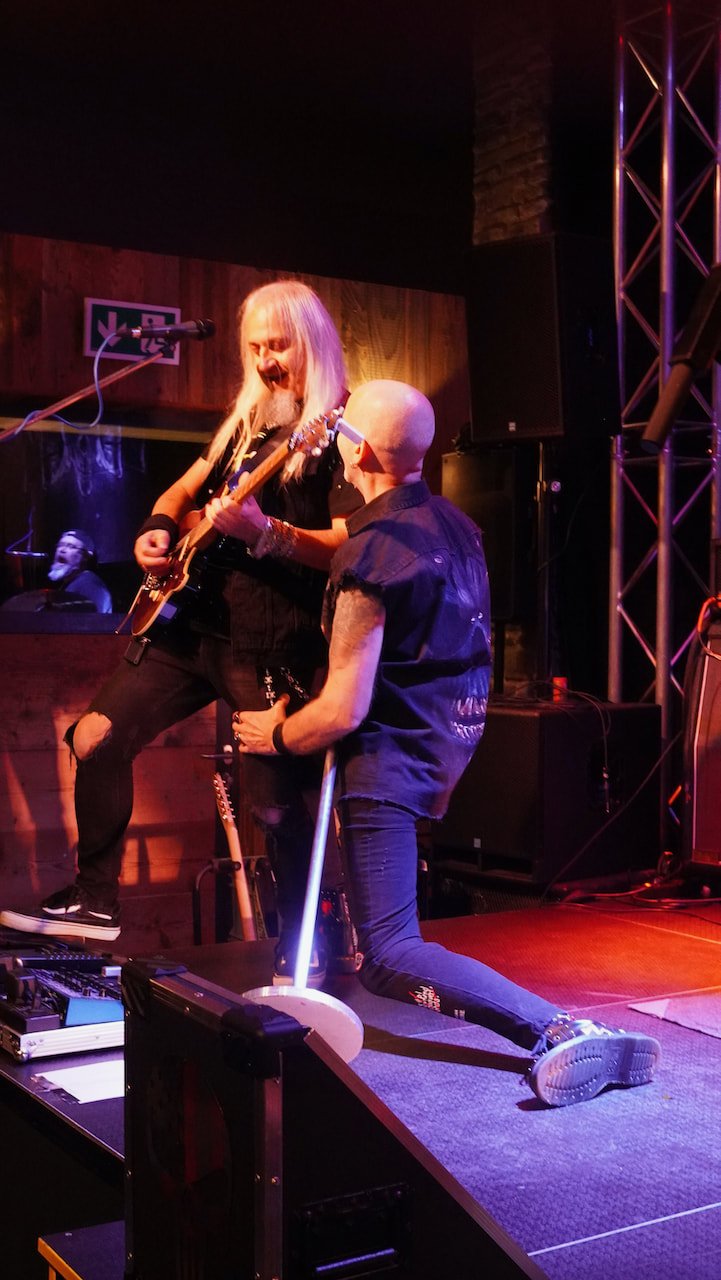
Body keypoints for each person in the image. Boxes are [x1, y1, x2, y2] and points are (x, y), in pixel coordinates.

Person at [232, 378, 662, 1108]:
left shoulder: (369, 557)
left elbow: (341, 710)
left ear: (358, 450)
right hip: (444, 740)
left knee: (389, 953)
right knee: (386, 940)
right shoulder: (456, 526)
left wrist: (275, 733)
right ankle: (565, 1030)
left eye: (342, 432)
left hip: (387, 764)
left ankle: (559, 1029)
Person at [0, 280, 358, 973]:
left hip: (269, 640)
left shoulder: (334, 431)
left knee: (279, 807)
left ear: (311, 344)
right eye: (254, 348)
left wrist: (267, 531)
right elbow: (182, 490)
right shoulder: (246, 423)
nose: (265, 362)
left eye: (278, 346)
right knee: (95, 736)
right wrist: (159, 526)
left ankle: (308, 949)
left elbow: (349, 542)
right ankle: (96, 902)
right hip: (190, 625)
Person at [1, 530, 112, 613]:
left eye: (71, 546)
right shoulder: (70, 584)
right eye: (60, 545)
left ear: (85, 556)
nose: (62, 550)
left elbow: (94, 624)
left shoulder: (89, 584)